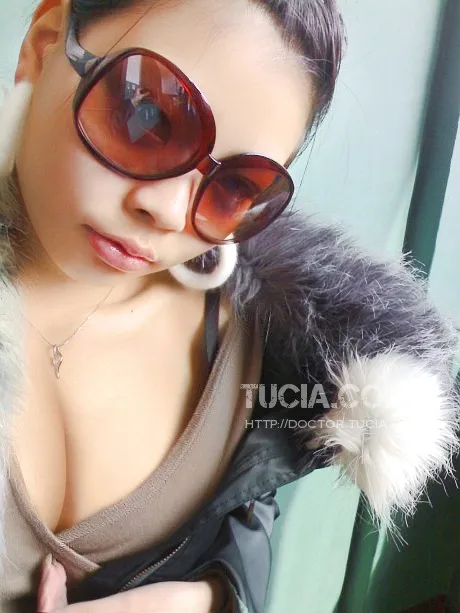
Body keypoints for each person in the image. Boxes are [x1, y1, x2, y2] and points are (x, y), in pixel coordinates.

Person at [0, 0, 457, 611]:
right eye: (145, 114)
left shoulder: (261, 337)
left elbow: (241, 508)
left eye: (235, 186)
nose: (167, 211)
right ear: (45, 40)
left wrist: (207, 597)